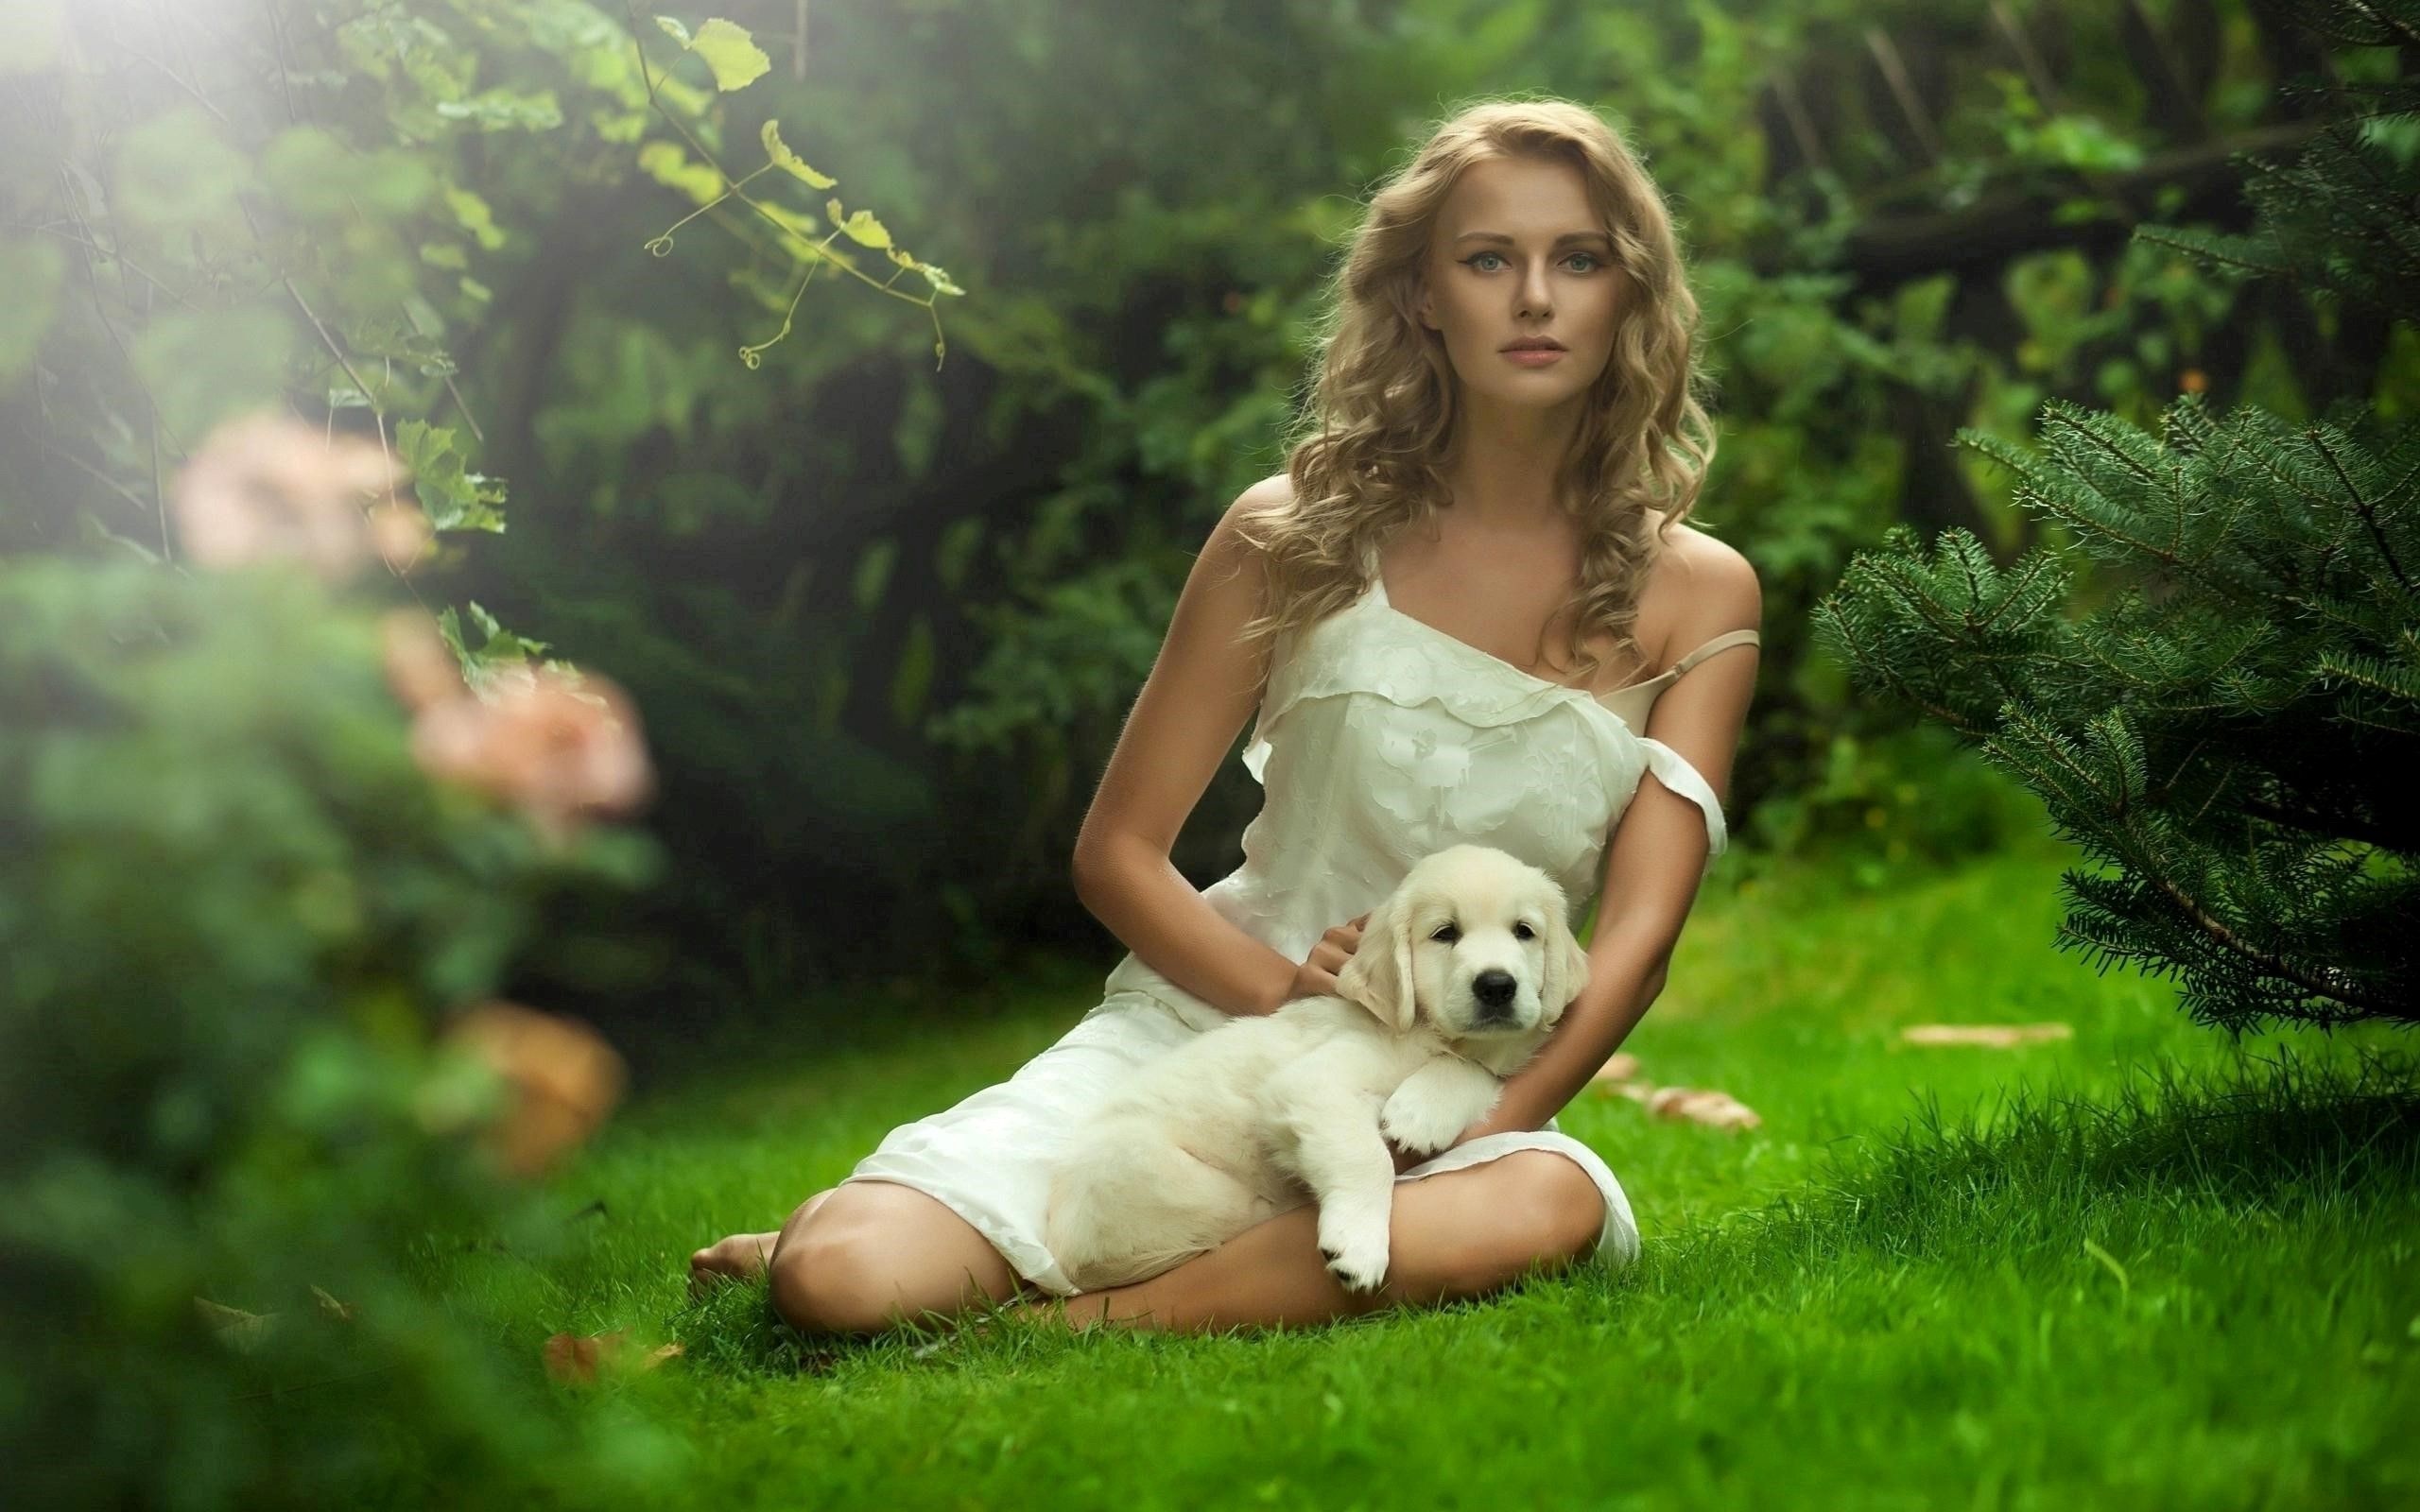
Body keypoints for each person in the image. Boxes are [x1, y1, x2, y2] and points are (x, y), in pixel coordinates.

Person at [690, 96, 1762, 1333]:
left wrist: (1486, 1121)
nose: (1535, 297)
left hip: (1456, 1081)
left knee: (1540, 1208)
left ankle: (1065, 1325)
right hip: (1213, 1036)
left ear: (1628, 294)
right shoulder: (1287, 534)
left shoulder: (1703, 595)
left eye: (1578, 259)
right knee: (839, 1281)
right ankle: (927, 1242)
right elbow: (1118, 853)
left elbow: (1634, 941)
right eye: (1488, 259)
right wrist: (1291, 1007)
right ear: (1422, 295)